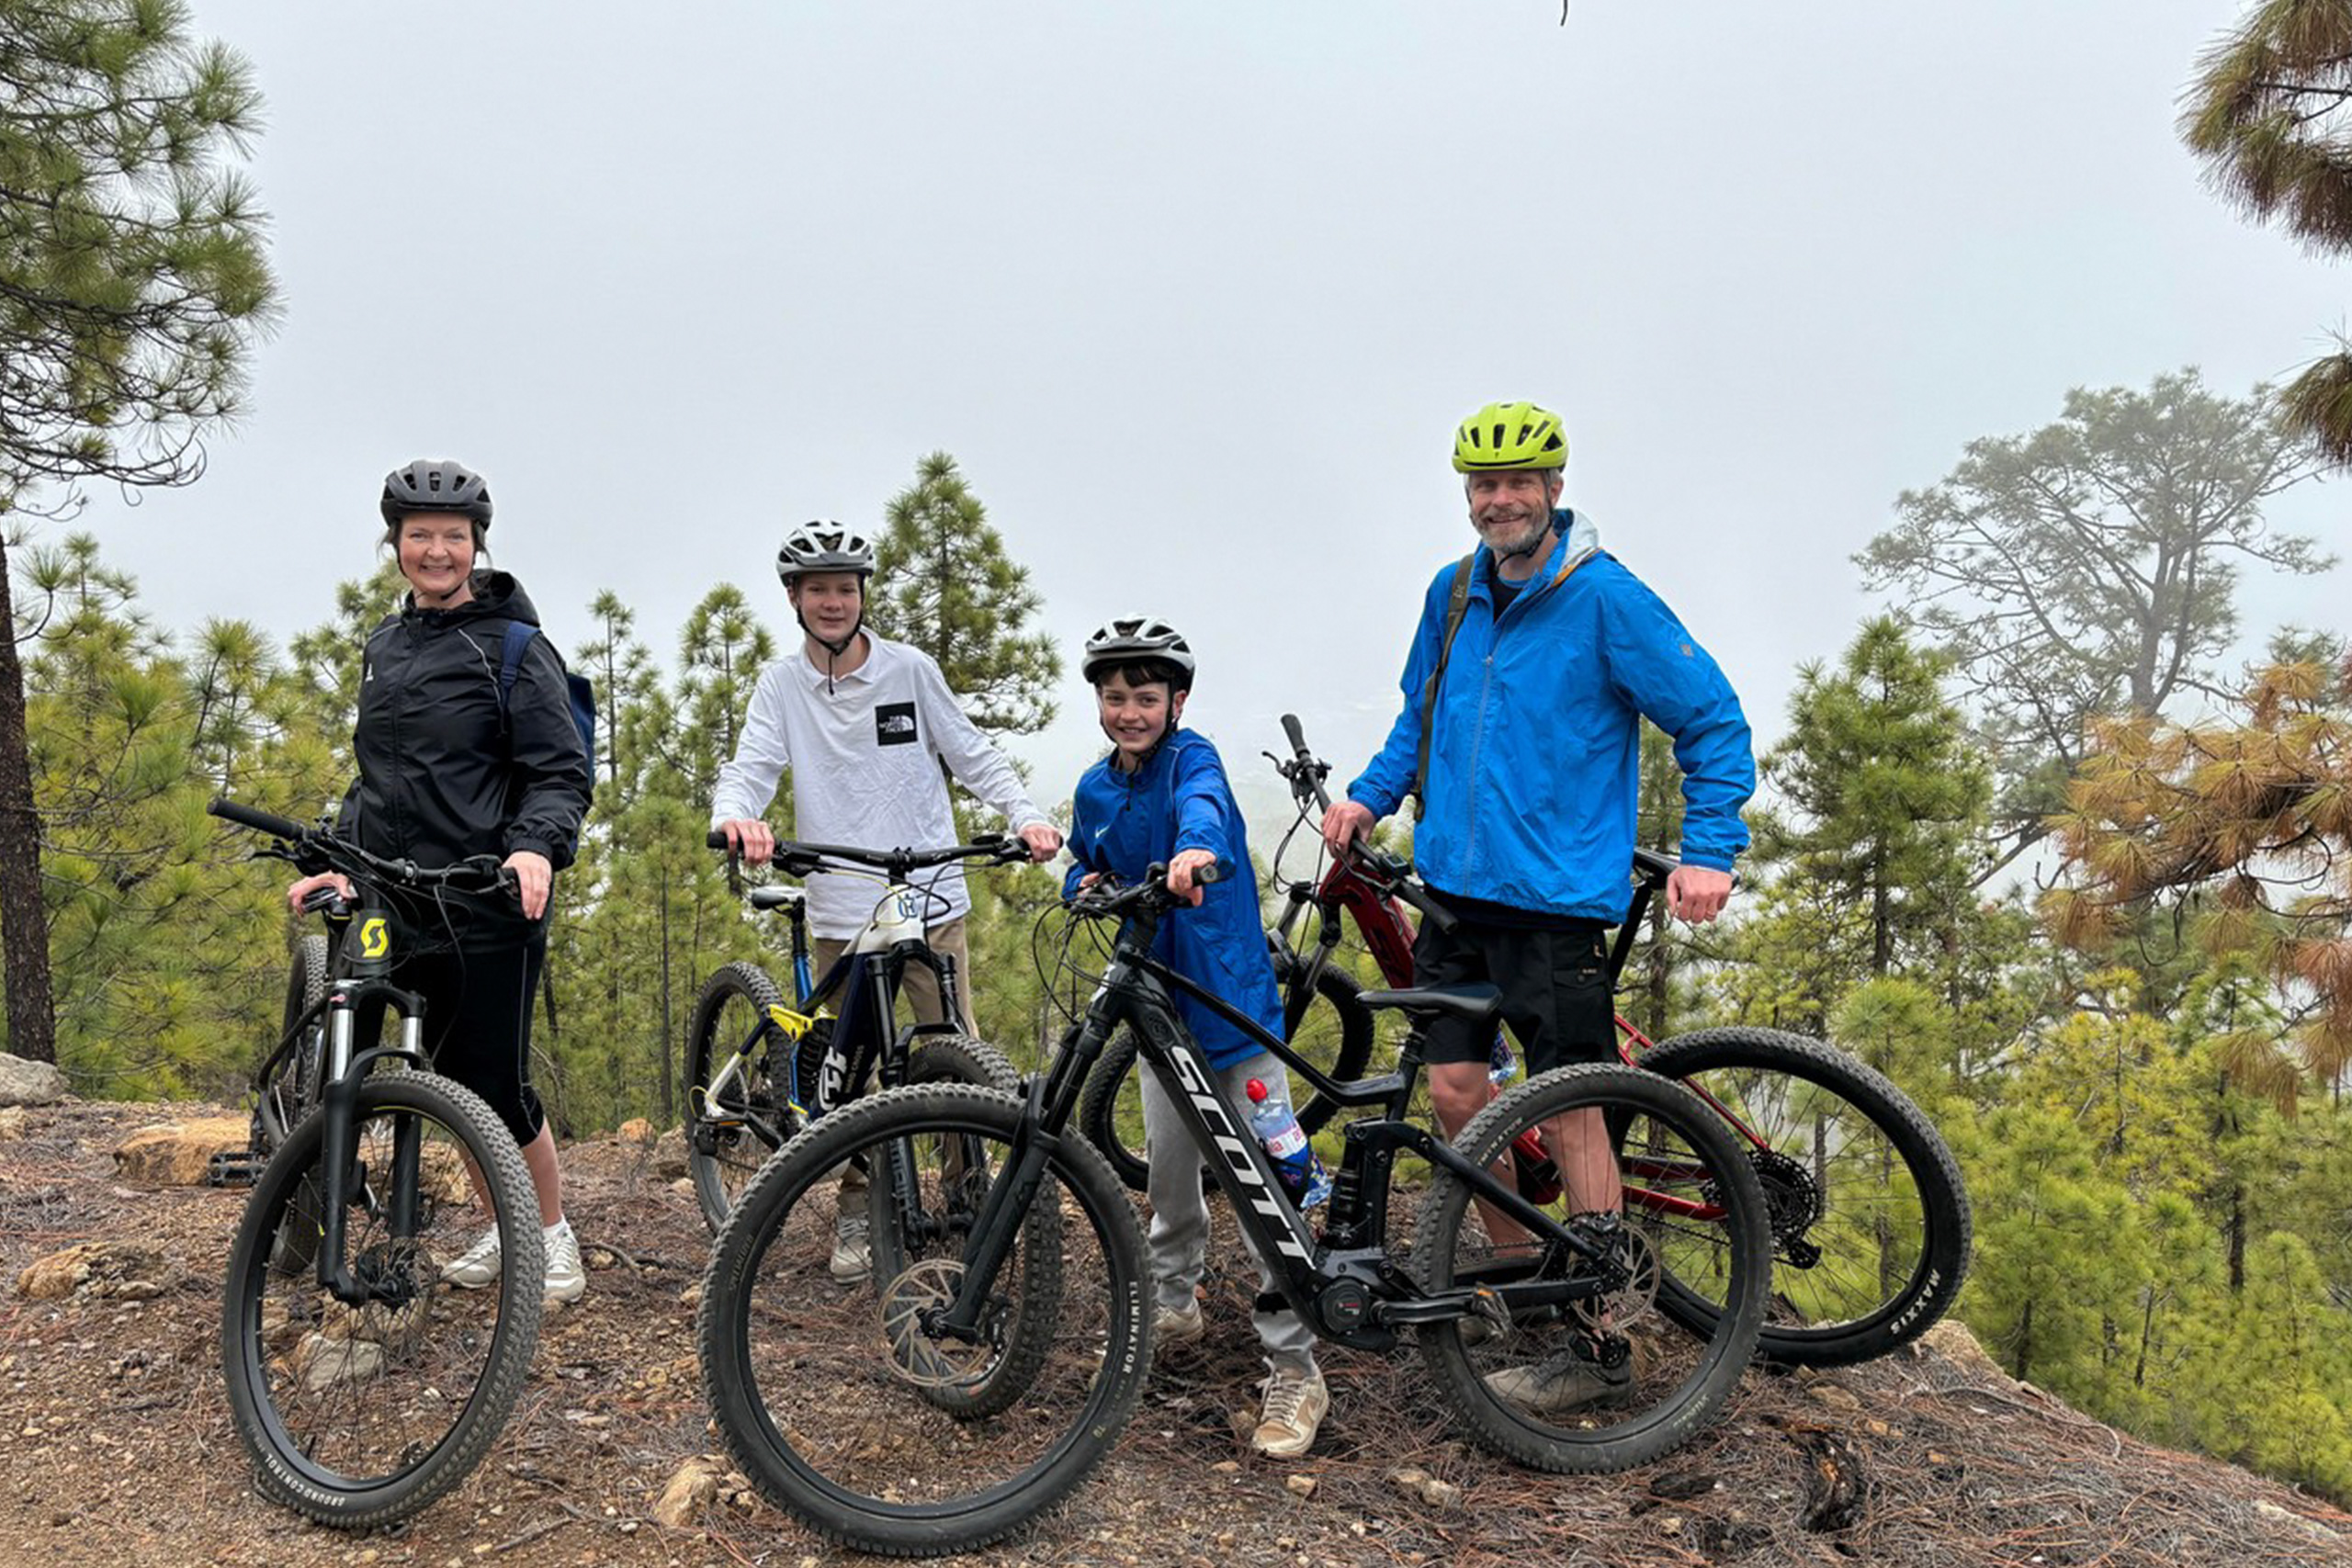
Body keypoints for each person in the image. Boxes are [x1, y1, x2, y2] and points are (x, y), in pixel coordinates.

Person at [1322, 400, 1755, 1415]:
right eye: (1483, 483)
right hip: (1456, 897)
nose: (1500, 499)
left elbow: (1713, 720)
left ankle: (1604, 1340)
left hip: (1557, 903)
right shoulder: (1453, 591)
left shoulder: (1607, 599)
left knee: (1569, 1113)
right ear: (1467, 494)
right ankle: (1528, 1286)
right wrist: (1370, 797)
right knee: (1458, 1100)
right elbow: (1418, 719)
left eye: (1520, 482)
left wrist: (1710, 852)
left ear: (1556, 490)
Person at [708, 520, 1063, 1281]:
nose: (833, 602)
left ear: (863, 595)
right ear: (795, 599)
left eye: (845, 588)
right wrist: (735, 814)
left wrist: (1023, 814)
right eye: (817, 590)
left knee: (954, 1051)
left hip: (930, 896)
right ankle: (859, 1208)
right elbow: (751, 767)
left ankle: (971, 1201)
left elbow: (972, 751)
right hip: (843, 902)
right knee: (855, 1071)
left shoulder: (909, 670)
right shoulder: (782, 684)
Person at [285, 458, 595, 1306]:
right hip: (392, 895)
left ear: (475, 546)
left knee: (492, 1079)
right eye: (418, 535)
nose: (435, 550)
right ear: (396, 545)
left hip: (485, 900)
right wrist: (336, 862)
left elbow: (559, 772)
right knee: (434, 1078)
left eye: (452, 537)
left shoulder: (515, 647)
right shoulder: (384, 646)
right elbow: (375, 782)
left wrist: (534, 849)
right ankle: (500, 1225)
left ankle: (550, 1237)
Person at [1063, 616, 1329, 1461]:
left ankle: (1296, 1364)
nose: (1130, 711)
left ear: (1177, 700)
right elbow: (1081, 856)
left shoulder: (1194, 761)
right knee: (1171, 1179)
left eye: (1146, 697)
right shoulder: (1097, 787)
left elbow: (1206, 814)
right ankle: (1172, 1302)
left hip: (1226, 1006)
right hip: (1156, 1011)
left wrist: (1195, 852)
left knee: (1264, 1187)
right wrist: (1081, 880)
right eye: (1115, 697)